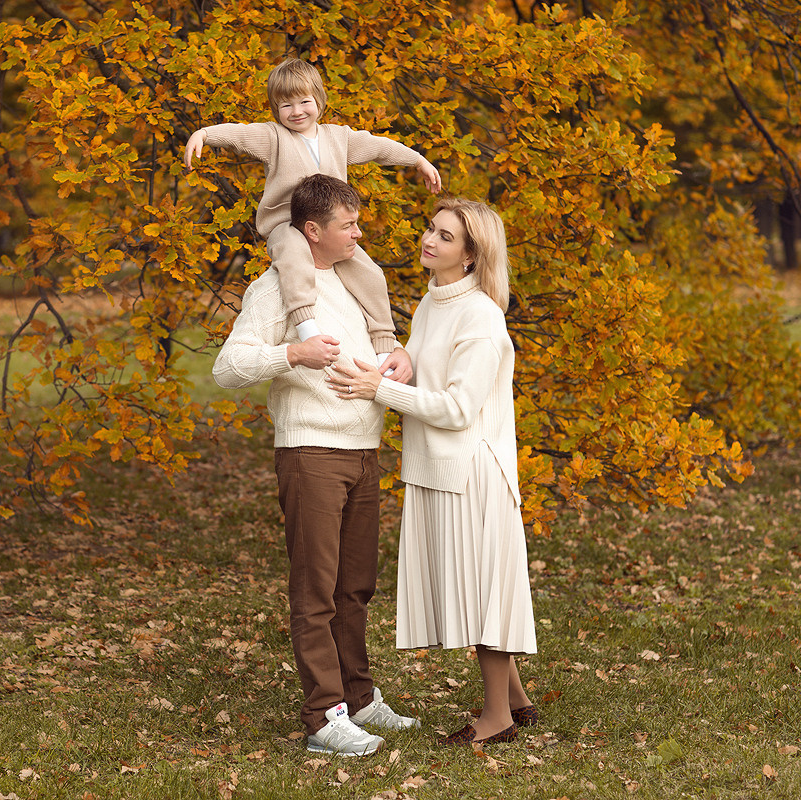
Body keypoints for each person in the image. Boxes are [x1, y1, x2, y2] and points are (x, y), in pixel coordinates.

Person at [212, 174, 419, 756]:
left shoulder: (354, 281)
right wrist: (292, 353)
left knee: (356, 587)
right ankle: (323, 719)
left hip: (362, 450)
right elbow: (228, 367)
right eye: (348, 225)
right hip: (311, 452)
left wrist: (398, 357)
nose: (359, 233)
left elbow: (381, 346)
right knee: (316, 590)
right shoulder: (276, 289)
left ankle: (359, 698)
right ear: (312, 231)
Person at [328, 197, 538, 746]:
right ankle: (515, 698)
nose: (429, 240)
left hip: (474, 474)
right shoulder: (431, 302)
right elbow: (430, 364)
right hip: (436, 469)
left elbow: (458, 408)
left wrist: (382, 389)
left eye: (445, 237)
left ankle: (497, 720)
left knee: (484, 594)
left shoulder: (482, 317)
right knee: (471, 587)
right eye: (431, 229)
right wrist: (403, 360)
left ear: (471, 256)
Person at [185, 57, 441, 366]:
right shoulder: (272, 137)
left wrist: (417, 160)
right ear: (274, 109)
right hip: (287, 224)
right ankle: (308, 328)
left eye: (304, 101)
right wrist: (204, 134)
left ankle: (384, 345)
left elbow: (378, 148)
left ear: (319, 100)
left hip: (330, 227)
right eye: (285, 105)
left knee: (369, 272)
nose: (296, 112)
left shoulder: (338, 137)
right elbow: (238, 134)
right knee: (294, 257)